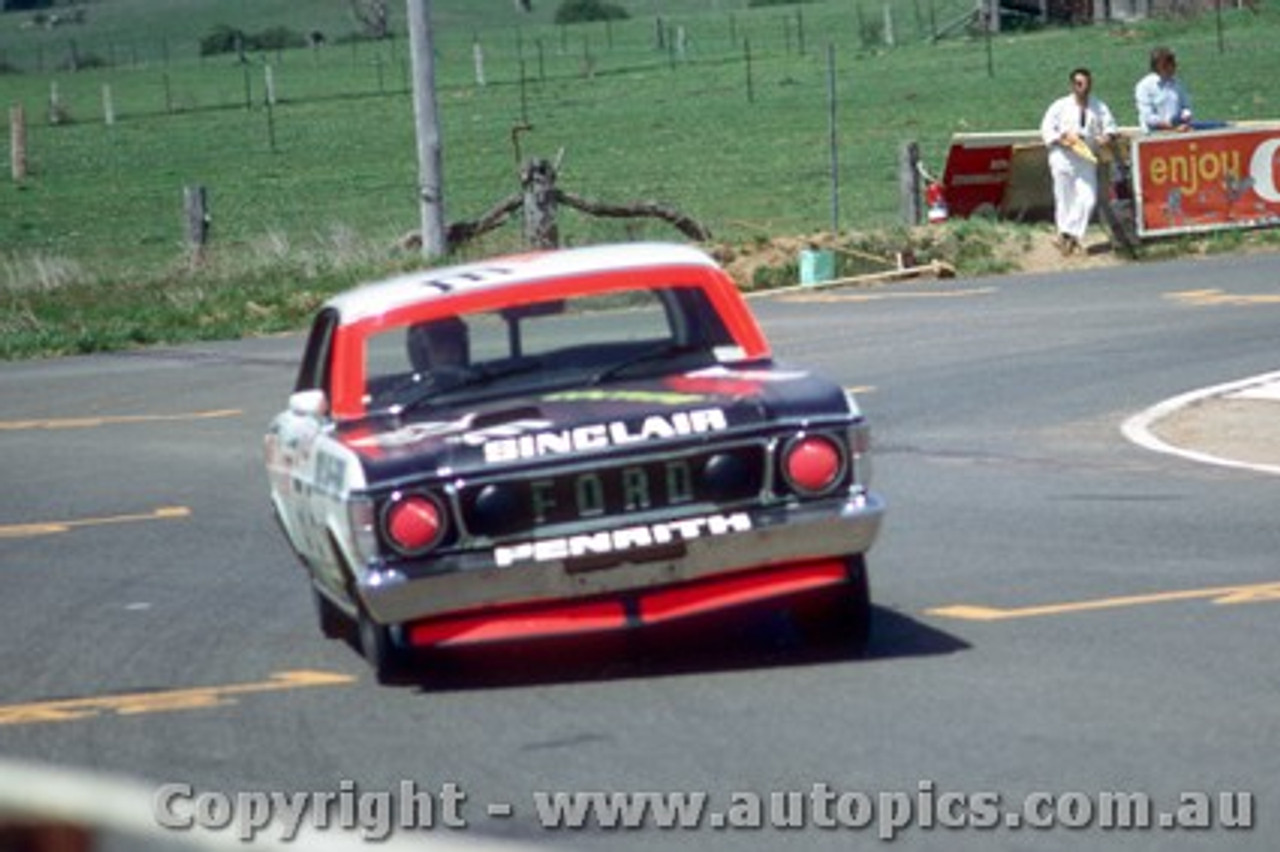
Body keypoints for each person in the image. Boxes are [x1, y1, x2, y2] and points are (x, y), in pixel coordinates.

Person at [1040, 67, 1118, 255]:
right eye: (1079, 83)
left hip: (1086, 156)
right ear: (1072, 85)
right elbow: (1046, 129)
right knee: (1064, 198)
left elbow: (1110, 128)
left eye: (1086, 83)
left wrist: (1106, 137)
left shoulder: (1098, 106)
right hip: (1063, 156)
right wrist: (1061, 138)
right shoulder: (1059, 106)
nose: (1083, 87)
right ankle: (1065, 237)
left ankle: (1070, 232)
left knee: (1088, 197)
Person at [1135, 46, 1193, 133]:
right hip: (1155, 135)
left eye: (1174, 64)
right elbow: (1148, 117)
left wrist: (1186, 116)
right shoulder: (1144, 86)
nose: (1174, 67)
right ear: (1160, 66)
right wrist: (1170, 126)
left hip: (1180, 129)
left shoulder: (1177, 84)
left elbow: (1186, 107)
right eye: (1171, 64)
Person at [406, 316, 470, 381]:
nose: (450, 347)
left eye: (455, 337)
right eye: (440, 340)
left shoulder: (476, 381)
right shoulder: (412, 389)